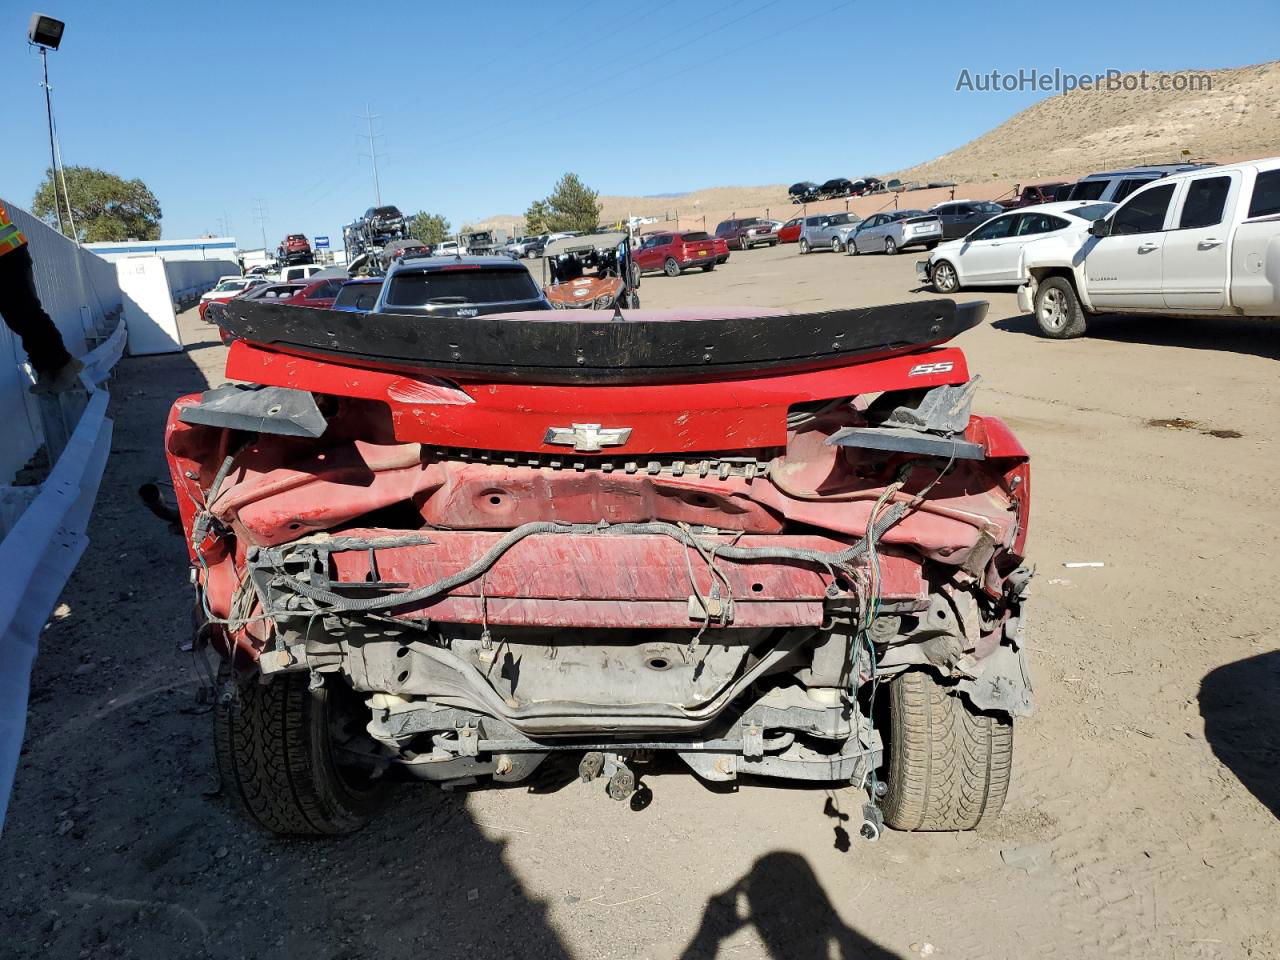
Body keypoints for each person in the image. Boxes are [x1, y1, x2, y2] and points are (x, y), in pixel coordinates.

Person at [0, 199, 82, 392]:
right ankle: (46, 370)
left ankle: (64, 364)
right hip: (7, 255)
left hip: (9, 255)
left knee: (27, 314)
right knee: (17, 320)